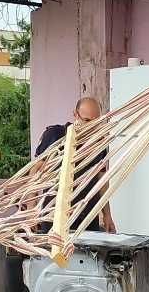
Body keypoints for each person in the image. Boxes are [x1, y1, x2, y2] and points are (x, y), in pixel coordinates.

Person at [33, 97, 116, 233]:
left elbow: (101, 181)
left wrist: (107, 215)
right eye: (87, 120)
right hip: (54, 216)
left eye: (96, 122)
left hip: (87, 216)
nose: (91, 127)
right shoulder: (55, 135)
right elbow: (35, 170)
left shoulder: (98, 142)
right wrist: (31, 209)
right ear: (75, 114)